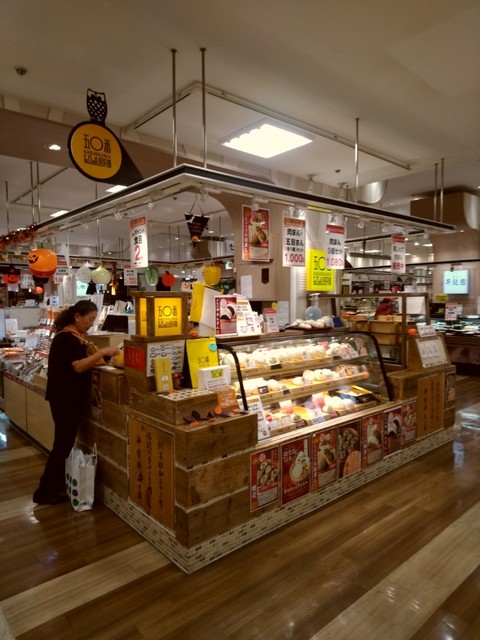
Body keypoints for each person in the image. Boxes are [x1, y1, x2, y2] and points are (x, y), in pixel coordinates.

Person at [33, 300, 119, 505]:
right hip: (64, 399)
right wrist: (101, 353)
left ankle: (56, 486)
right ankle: (44, 491)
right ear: (77, 316)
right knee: (62, 445)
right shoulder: (66, 338)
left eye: (93, 320)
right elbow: (78, 367)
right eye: (90, 319)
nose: (91, 323)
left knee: (64, 444)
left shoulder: (73, 338)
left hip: (66, 399)